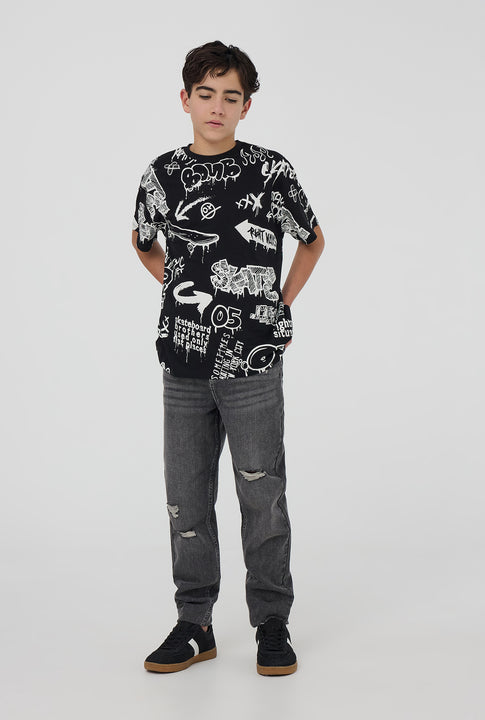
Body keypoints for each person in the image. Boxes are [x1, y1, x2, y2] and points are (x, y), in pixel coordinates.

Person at [131, 40, 324, 676]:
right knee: (186, 498)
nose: (217, 107)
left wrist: (278, 304)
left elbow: (312, 239)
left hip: (253, 366)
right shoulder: (161, 175)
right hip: (183, 366)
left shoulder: (270, 171)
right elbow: (143, 242)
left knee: (262, 493)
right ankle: (195, 623)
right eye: (206, 94)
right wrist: (179, 286)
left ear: (246, 106)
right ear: (185, 100)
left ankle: (272, 622)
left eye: (231, 96)